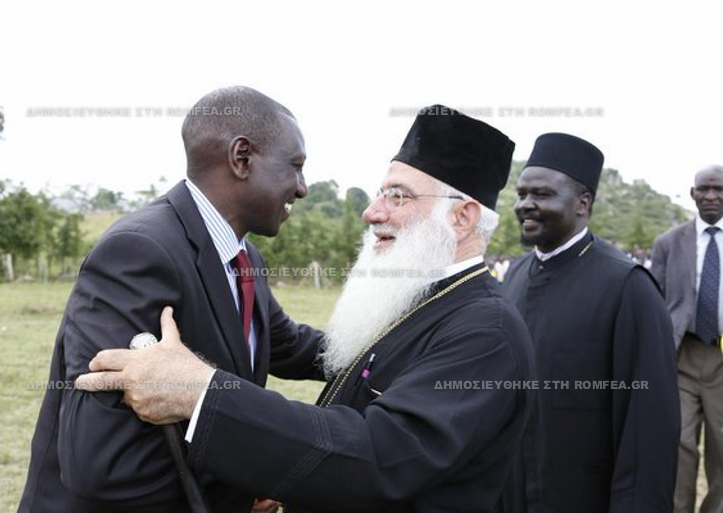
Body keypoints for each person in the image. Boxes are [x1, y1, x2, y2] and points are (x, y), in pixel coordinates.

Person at [76, 106, 537, 513]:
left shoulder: (486, 333)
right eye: (381, 193)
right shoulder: (421, 299)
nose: (372, 212)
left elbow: (378, 457)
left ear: (462, 217)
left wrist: (201, 393)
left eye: (398, 196)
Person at [19, 87, 325, 513]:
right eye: (295, 166)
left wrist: (389, 348)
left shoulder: (243, 256)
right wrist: (243, 481)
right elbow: (103, 463)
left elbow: (288, 345)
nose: (302, 188)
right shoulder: (139, 250)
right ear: (241, 158)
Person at [500, 132, 680, 512]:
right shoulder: (513, 276)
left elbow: (648, 429)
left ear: (583, 203)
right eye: (522, 194)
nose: (526, 205)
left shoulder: (628, 287)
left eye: (542, 194)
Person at [651, 164, 723, 513]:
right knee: (680, 442)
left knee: (722, 444)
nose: (711, 196)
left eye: (719, 189)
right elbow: (653, 301)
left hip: (721, 355)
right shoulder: (668, 243)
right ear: (693, 194)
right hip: (681, 355)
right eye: (703, 189)